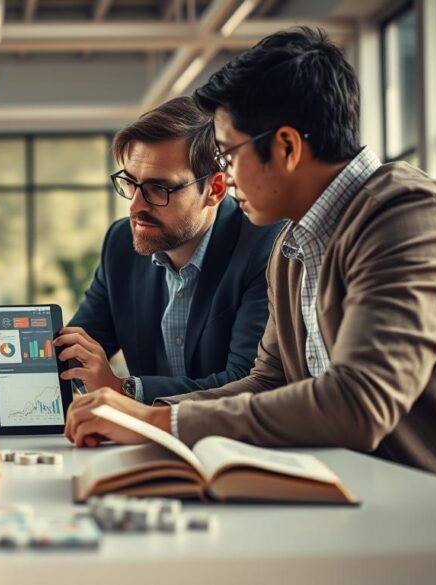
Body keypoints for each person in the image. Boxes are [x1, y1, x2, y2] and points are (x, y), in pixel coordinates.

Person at [64, 27, 436, 491]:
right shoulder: (292, 246)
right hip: (368, 495)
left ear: (288, 148)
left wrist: (156, 422)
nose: (227, 181)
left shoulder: (408, 215)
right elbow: (267, 382)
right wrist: (150, 415)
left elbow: (360, 402)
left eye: (229, 155)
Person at [56, 96, 282, 404]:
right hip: (146, 444)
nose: (135, 206)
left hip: (232, 443)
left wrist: (124, 390)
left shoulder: (265, 245)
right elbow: (76, 351)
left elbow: (246, 382)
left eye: (158, 189)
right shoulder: (121, 244)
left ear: (215, 189)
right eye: (131, 183)